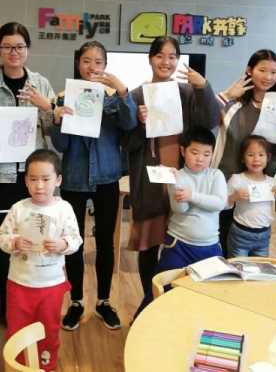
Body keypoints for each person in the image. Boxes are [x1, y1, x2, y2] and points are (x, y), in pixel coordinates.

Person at [125, 36, 220, 317]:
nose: (166, 62)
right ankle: (150, 300)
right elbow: (127, 144)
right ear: (150, 59)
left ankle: (179, 305)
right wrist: (138, 123)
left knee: (179, 246)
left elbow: (210, 122)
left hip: (183, 181)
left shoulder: (187, 92)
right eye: (160, 56)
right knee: (149, 246)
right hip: (150, 184)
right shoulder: (137, 95)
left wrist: (203, 87)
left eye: (172, 57)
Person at [0, 22, 56, 325]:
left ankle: (30, 303)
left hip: (34, 177)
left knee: (35, 238)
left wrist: (47, 107)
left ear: (27, 49)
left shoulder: (41, 84)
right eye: (7, 47)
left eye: (19, 46)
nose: (14, 52)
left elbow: (55, 129)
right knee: (3, 242)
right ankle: (6, 304)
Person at [50, 41, 136, 331]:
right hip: (74, 178)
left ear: (106, 66)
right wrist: (56, 120)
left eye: (98, 62)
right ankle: (76, 301)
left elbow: (130, 124)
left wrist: (123, 92)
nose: (92, 67)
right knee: (73, 242)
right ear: (78, 64)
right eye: (86, 61)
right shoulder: (64, 97)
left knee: (105, 243)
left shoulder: (114, 97)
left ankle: (103, 301)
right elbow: (61, 145)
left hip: (107, 177)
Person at [0, 149, 82, 372]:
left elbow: (76, 239)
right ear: (26, 181)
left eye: (46, 179)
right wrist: (15, 242)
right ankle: (18, 365)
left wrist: (63, 244)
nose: (39, 186)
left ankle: (47, 364)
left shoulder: (64, 209)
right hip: (19, 282)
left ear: (58, 180)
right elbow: (2, 236)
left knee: (48, 327)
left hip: (51, 284)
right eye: (33, 179)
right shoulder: (19, 208)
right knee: (17, 328)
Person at [213, 49, 276, 256]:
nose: (268, 77)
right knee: (222, 246)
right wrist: (226, 96)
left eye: (273, 72)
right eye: (262, 70)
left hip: (258, 189)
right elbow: (206, 119)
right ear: (249, 70)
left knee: (254, 253)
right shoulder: (235, 103)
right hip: (227, 182)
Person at [156, 127, 228, 272]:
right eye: (194, 153)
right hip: (178, 243)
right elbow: (180, 209)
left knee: (208, 285)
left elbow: (220, 203)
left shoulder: (216, 175)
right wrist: (174, 183)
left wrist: (192, 196)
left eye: (206, 154)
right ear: (183, 151)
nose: (200, 159)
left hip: (209, 246)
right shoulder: (178, 175)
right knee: (170, 284)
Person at [227, 136, 276, 258]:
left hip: (264, 236)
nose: (256, 159)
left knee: (261, 267)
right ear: (243, 158)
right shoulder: (237, 179)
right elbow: (222, 205)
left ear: (268, 157)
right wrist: (234, 197)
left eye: (261, 155)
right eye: (250, 155)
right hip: (240, 234)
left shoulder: (273, 182)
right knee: (238, 267)